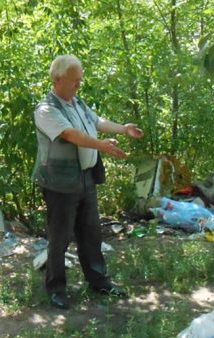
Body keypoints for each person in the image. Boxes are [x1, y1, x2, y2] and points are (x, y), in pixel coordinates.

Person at [32, 55, 145, 309]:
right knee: (59, 238)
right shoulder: (46, 110)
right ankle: (56, 289)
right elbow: (71, 135)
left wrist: (123, 128)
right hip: (59, 183)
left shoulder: (76, 102)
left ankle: (99, 282)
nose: (78, 86)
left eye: (80, 80)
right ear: (58, 79)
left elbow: (96, 122)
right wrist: (102, 146)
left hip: (85, 178)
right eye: (74, 81)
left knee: (91, 232)